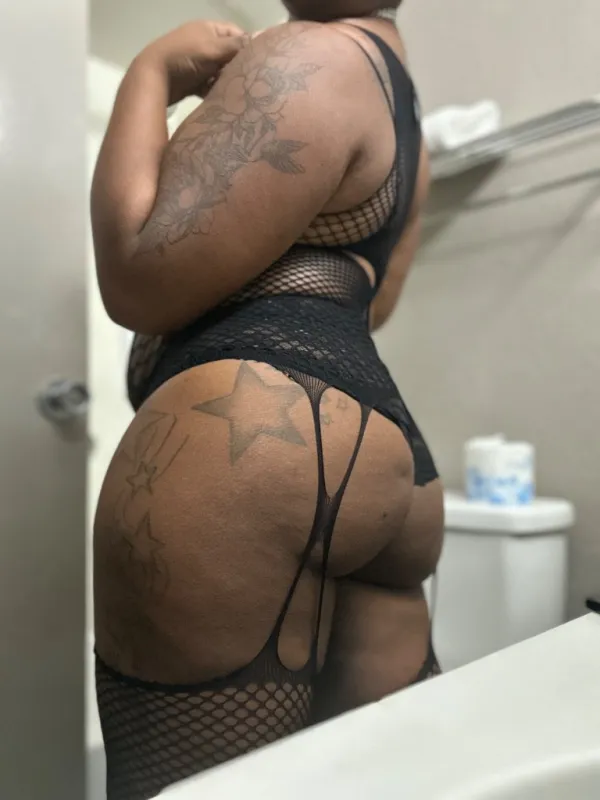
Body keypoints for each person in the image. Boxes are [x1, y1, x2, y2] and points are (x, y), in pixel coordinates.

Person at [92, 2, 444, 798]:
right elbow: (374, 303)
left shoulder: (314, 55)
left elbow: (136, 276)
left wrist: (148, 74)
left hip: (243, 447)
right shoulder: (409, 119)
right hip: (391, 465)